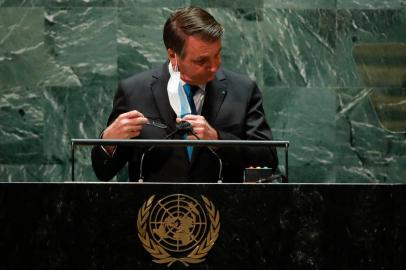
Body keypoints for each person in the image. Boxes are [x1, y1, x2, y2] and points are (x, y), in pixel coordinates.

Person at [91, 6, 278, 182]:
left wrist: (218, 140)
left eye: (217, 54)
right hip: (155, 211)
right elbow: (104, 172)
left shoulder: (243, 90)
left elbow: (268, 158)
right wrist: (108, 141)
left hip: (224, 209)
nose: (214, 66)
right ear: (173, 55)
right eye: (202, 60)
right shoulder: (134, 91)